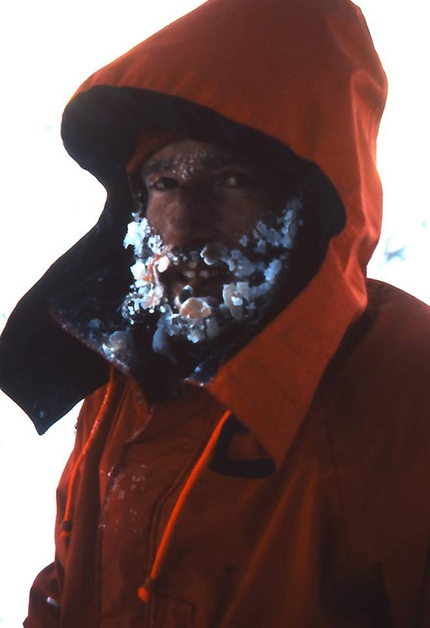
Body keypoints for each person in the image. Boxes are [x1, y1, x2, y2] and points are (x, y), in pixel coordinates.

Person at [2, 0, 430, 625]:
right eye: (163, 183)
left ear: (310, 204)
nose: (180, 230)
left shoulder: (403, 385)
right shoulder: (125, 363)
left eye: (231, 181)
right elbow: (73, 584)